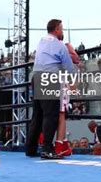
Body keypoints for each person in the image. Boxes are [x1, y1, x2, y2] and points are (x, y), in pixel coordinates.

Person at [25, 19, 75, 159]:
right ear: (57, 30)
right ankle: (47, 149)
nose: (63, 31)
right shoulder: (59, 45)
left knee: (38, 114)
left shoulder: (41, 41)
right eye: (62, 29)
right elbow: (69, 67)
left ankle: (30, 148)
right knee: (50, 115)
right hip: (49, 78)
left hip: (36, 77)